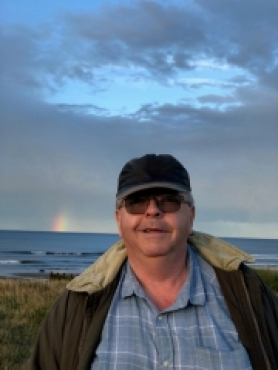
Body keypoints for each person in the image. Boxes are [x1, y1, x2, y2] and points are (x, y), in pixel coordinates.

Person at [26, 154, 278, 370]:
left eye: (168, 200)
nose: (152, 211)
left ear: (190, 216)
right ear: (118, 220)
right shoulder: (77, 305)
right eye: (136, 202)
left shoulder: (248, 294)